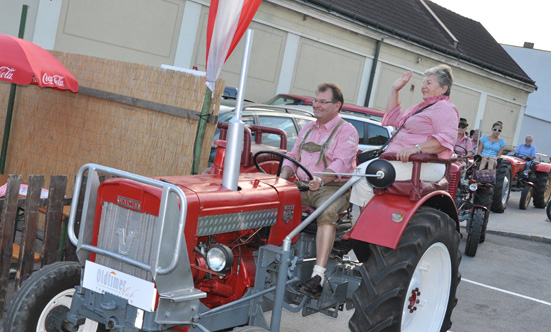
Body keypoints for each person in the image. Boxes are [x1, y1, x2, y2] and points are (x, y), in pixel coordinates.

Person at [280, 83, 359, 298]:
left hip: (332, 187)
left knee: (326, 212)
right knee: (273, 201)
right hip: (305, 185)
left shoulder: (347, 131)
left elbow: (341, 164)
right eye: (316, 100)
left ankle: (318, 277)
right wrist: (282, 178)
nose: (317, 105)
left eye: (323, 102)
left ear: (337, 105)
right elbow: (293, 157)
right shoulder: (307, 128)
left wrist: (321, 180)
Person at [350, 64, 459, 208]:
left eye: (429, 82)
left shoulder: (445, 108)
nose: (423, 86)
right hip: (403, 160)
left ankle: (367, 225)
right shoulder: (422, 107)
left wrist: (416, 149)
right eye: (423, 82)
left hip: (424, 164)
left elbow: (445, 141)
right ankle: (367, 220)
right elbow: (394, 119)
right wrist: (395, 90)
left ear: (443, 88)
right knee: (357, 172)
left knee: (367, 176)